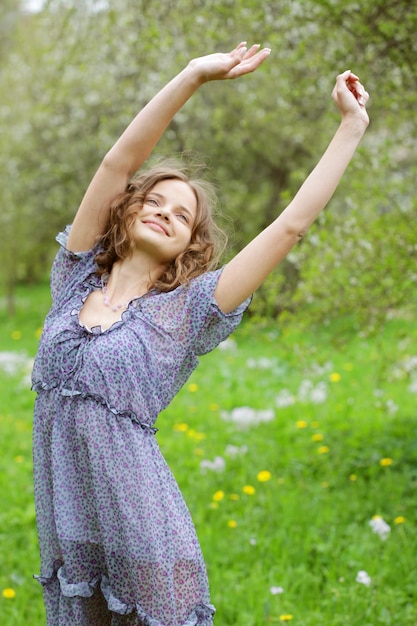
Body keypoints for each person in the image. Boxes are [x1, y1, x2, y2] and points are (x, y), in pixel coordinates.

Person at [31, 41, 369, 626]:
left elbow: (290, 226)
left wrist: (351, 127)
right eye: (154, 201)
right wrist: (191, 74)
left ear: (191, 245)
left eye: (181, 214)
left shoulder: (187, 313)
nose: (164, 211)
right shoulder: (75, 275)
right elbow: (117, 165)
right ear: (127, 212)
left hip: (145, 528)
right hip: (72, 528)